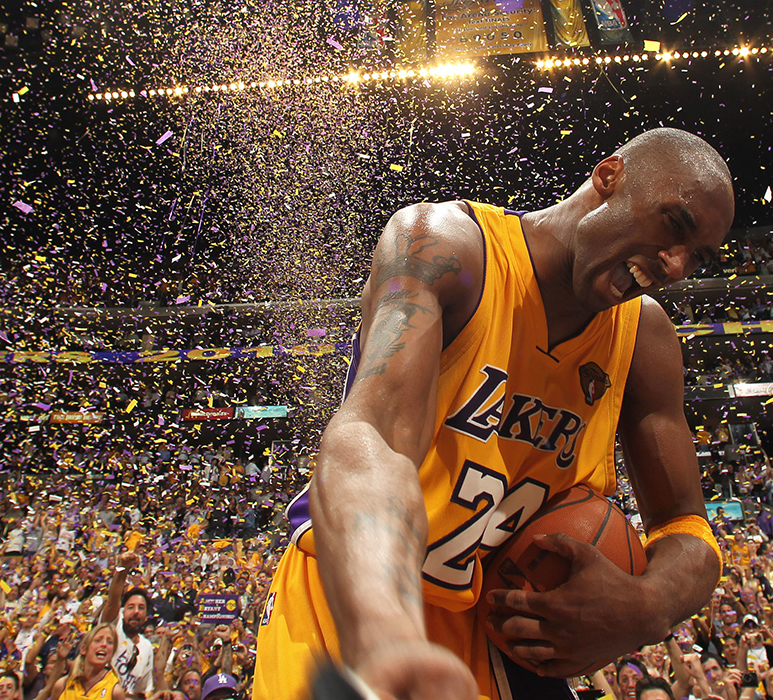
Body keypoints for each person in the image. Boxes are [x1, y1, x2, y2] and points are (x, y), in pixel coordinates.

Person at [253, 128, 734, 700]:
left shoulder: (645, 338)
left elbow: (686, 525)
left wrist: (647, 606)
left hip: (497, 629)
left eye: (697, 257)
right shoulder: (446, 246)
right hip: (359, 596)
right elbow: (371, 439)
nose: (677, 264)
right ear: (609, 177)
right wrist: (383, 630)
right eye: (674, 225)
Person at [100, 552, 156, 698]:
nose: (136, 612)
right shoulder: (114, 627)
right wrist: (123, 568)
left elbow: (141, 692)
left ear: (146, 616)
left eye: (141, 608)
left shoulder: (147, 647)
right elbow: (113, 601)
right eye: (131, 607)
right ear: (123, 611)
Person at [48, 622, 126, 700]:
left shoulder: (115, 692)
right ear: (83, 649)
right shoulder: (62, 685)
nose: (104, 644)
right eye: (98, 640)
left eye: (110, 642)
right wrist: (60, 659)